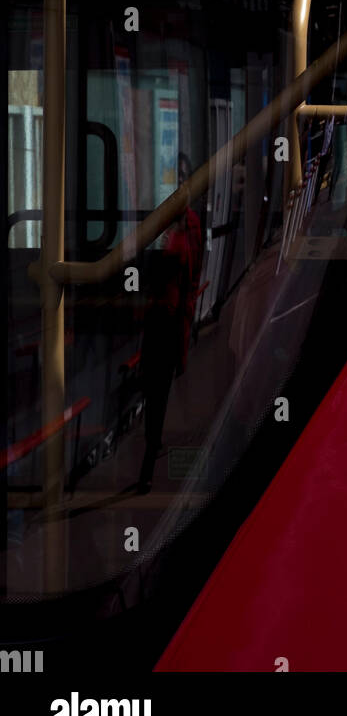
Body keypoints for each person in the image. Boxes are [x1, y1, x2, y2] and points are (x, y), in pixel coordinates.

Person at [137, 156, 203, 493]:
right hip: (155, 318)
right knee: (157, 389)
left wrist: (188, 319)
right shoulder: (159, 225)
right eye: (172, 179)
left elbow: (194, 274)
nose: (178, 185)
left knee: (162, 389)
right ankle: (150, 452)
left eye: (182, 178)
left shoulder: (190, 225)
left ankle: (152, 452)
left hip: (174, 320)